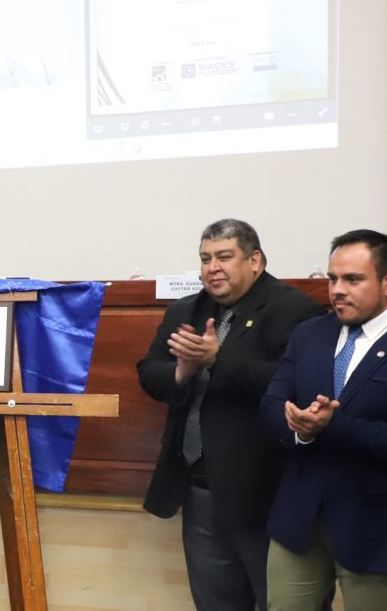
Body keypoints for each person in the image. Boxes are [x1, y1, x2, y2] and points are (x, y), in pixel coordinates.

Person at [261, 229, 387, 611]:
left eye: (353, 279)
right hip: (299, 516)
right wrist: (299, 428)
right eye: (333, 278)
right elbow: (273, 402)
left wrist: (331, 426)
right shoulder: (309, 334)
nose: (338, 290)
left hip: (376, 528)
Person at [137, 218, 325, 611]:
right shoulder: (185, 310)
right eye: (205, 258)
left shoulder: (296, 310)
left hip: (266, 492)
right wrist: (181, 372)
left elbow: (296, 384)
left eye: (224, 257)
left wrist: (219, 359)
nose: (212, 268)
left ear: (255, 261)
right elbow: (149, 371)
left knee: (282, 602)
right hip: (201, 491)